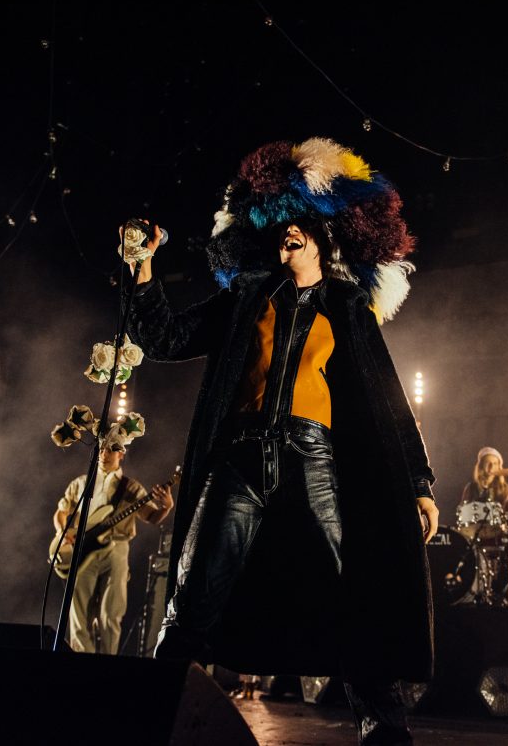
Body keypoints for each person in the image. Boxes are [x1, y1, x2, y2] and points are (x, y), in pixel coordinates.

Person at [124, 137, 438, 745]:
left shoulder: (349, 308)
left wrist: (419, 483)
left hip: (313, 460)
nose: (290, 231)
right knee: (192, 599)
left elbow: (388, 403)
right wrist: (142, 269)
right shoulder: (245, 297)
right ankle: (156, 722)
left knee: (358, 592)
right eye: (283, 223)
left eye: (302, 224)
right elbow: (164, 337)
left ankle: (384, 731)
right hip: (239, 462)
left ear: (325, 236)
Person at [53, 440, 174, 654]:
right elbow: (61, 512)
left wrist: (166, 506)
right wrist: (63, 533)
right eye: (102, 448)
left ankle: (108, 663)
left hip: (116, 548)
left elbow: (152, 517)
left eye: (111, 449)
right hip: (83, 551)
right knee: (78, 613)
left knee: (111, 613)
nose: (104, 453)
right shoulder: (81, 483)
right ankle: (80, 663)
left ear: (121, 454)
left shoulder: (131, 487)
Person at [457, 446, 508, 605]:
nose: (491, 467)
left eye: (495, 463)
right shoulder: (471, 488)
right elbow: (463, 515)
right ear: (480, 465)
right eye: (488, 463)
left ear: (500, 466)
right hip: (475, 535)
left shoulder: (506, 489)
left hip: (499, 535)